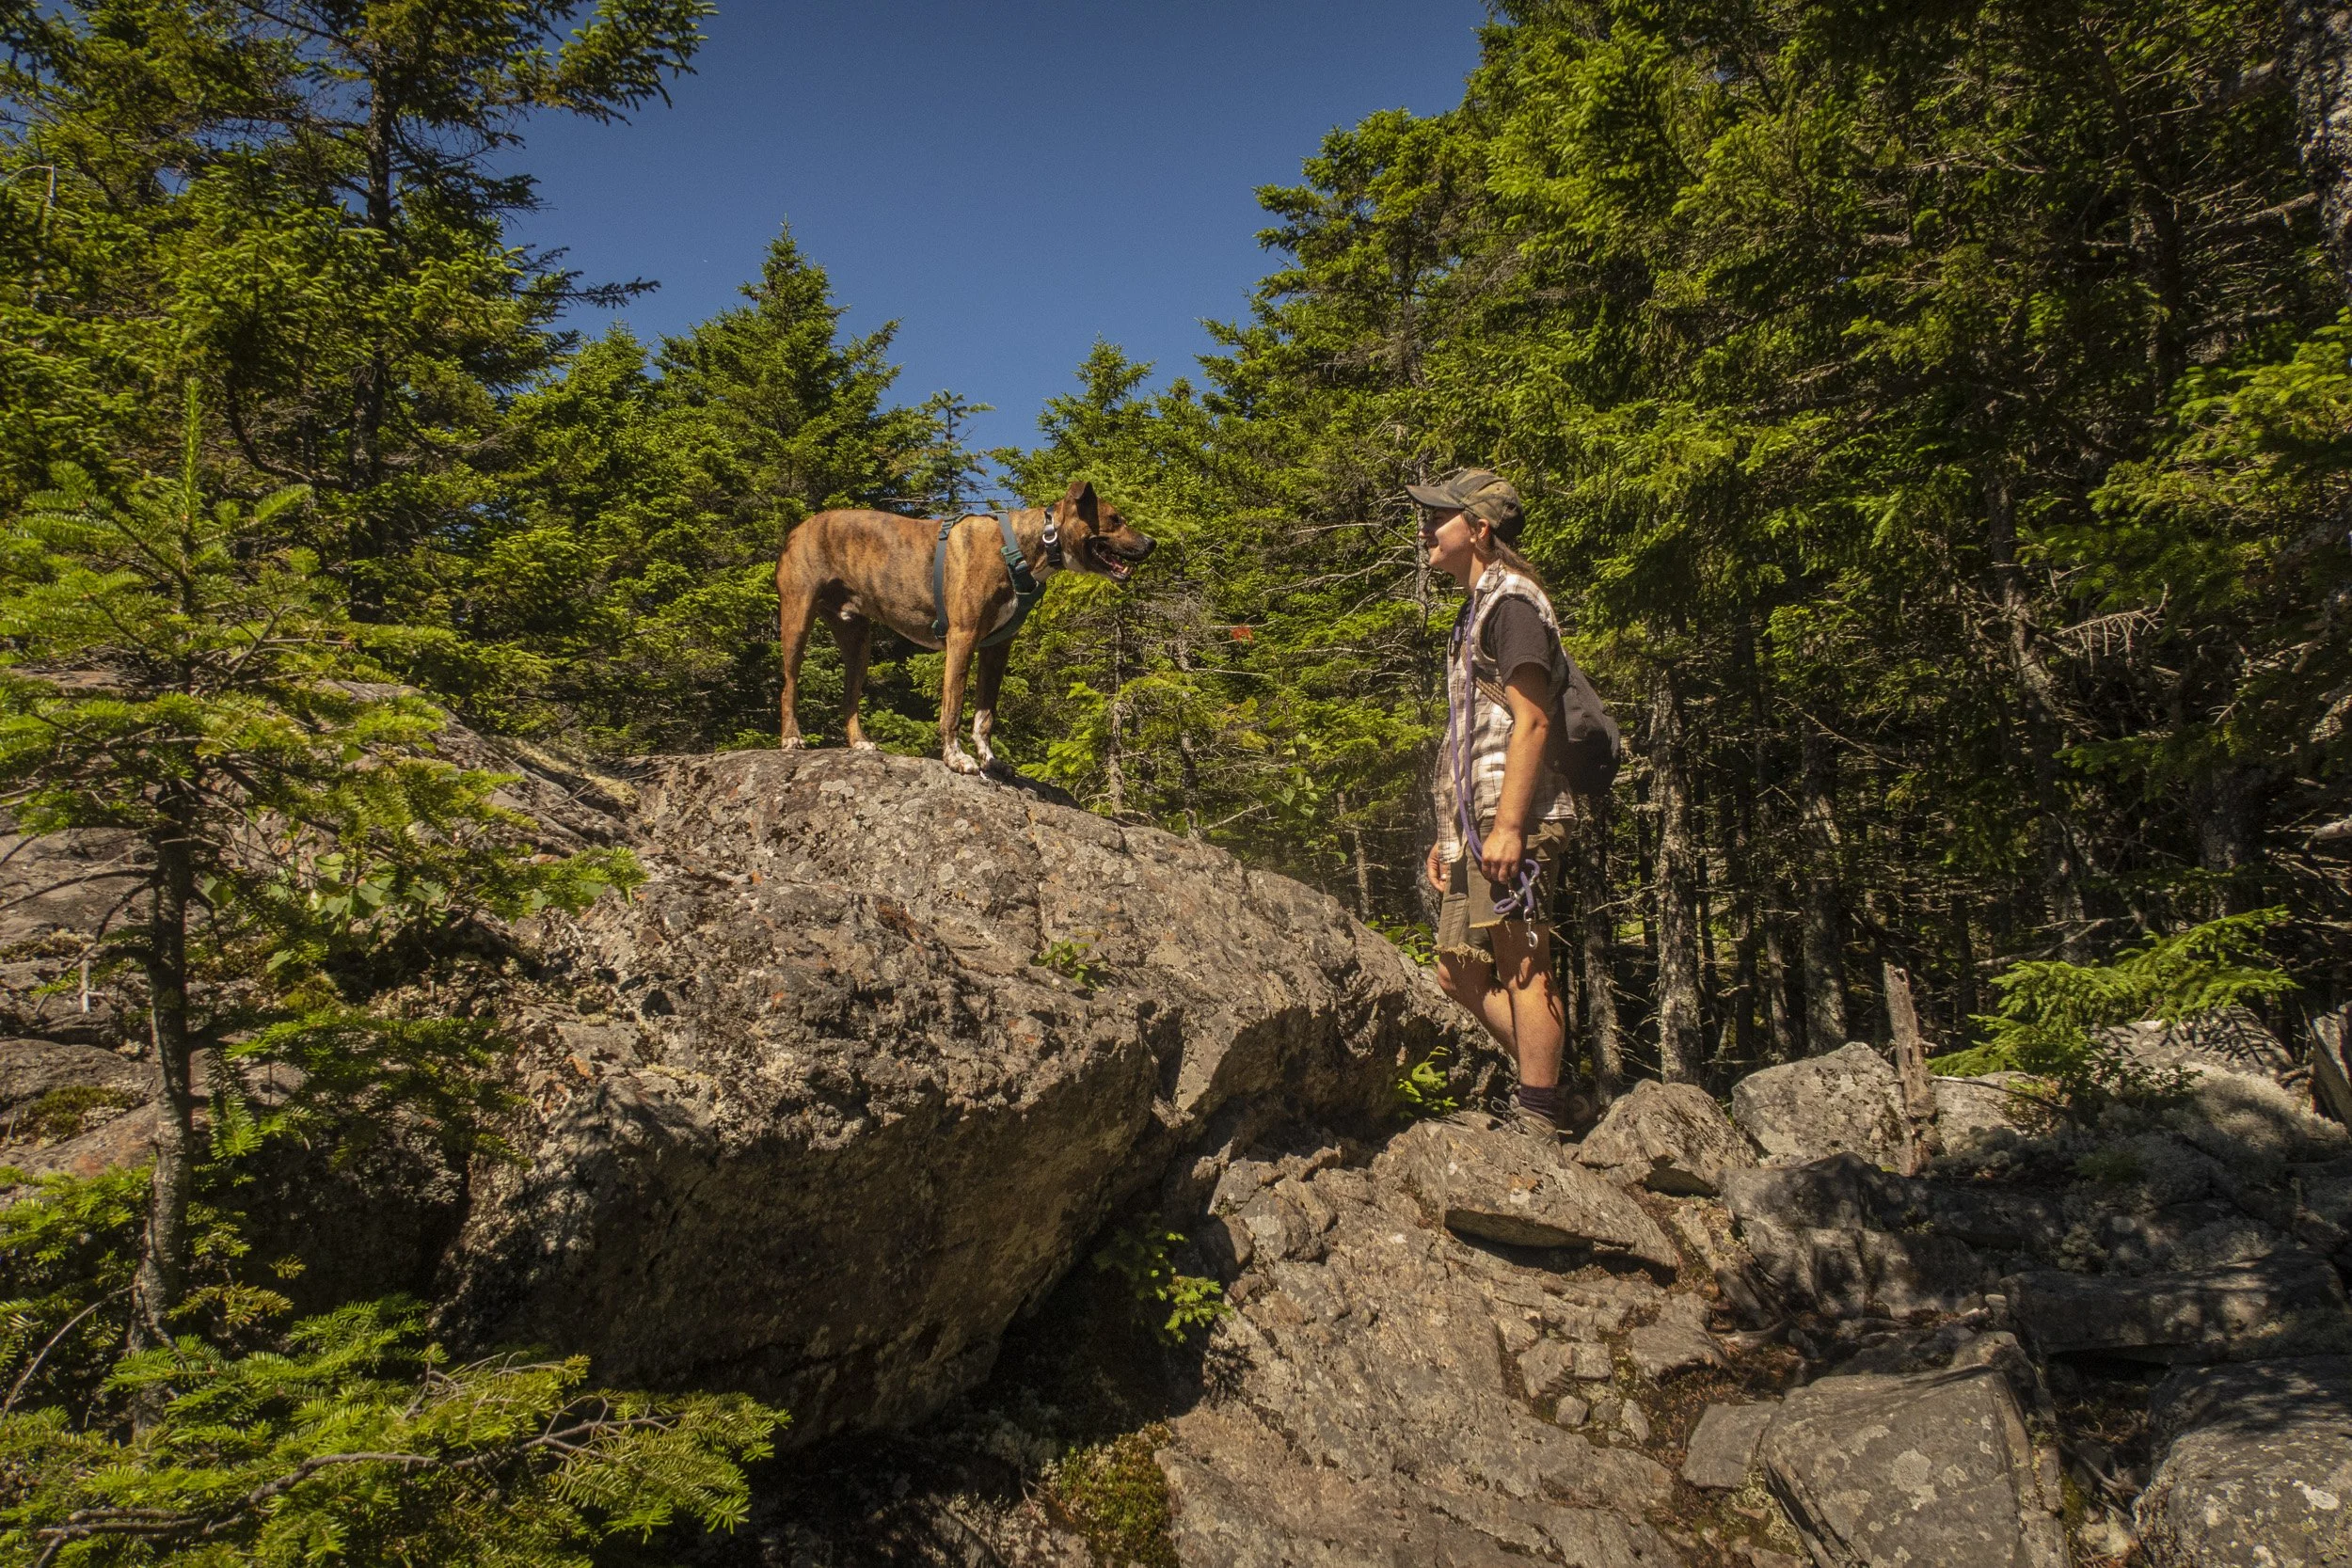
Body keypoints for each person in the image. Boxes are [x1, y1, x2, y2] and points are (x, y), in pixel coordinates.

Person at [1410, 467, 1583, 1143]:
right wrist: (1448, 835)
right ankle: (1557, 1088)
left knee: (1524, 964)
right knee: (1458, 972)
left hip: (1515, 818)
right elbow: (1468, 731)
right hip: (1475, 825)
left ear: (1478, 530)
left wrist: (1509, 826)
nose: (1427, 529)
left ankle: (1540, 1116)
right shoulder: (1474, 608)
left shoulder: (1514, 602)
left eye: (1439, 518)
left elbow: (1531, 720)